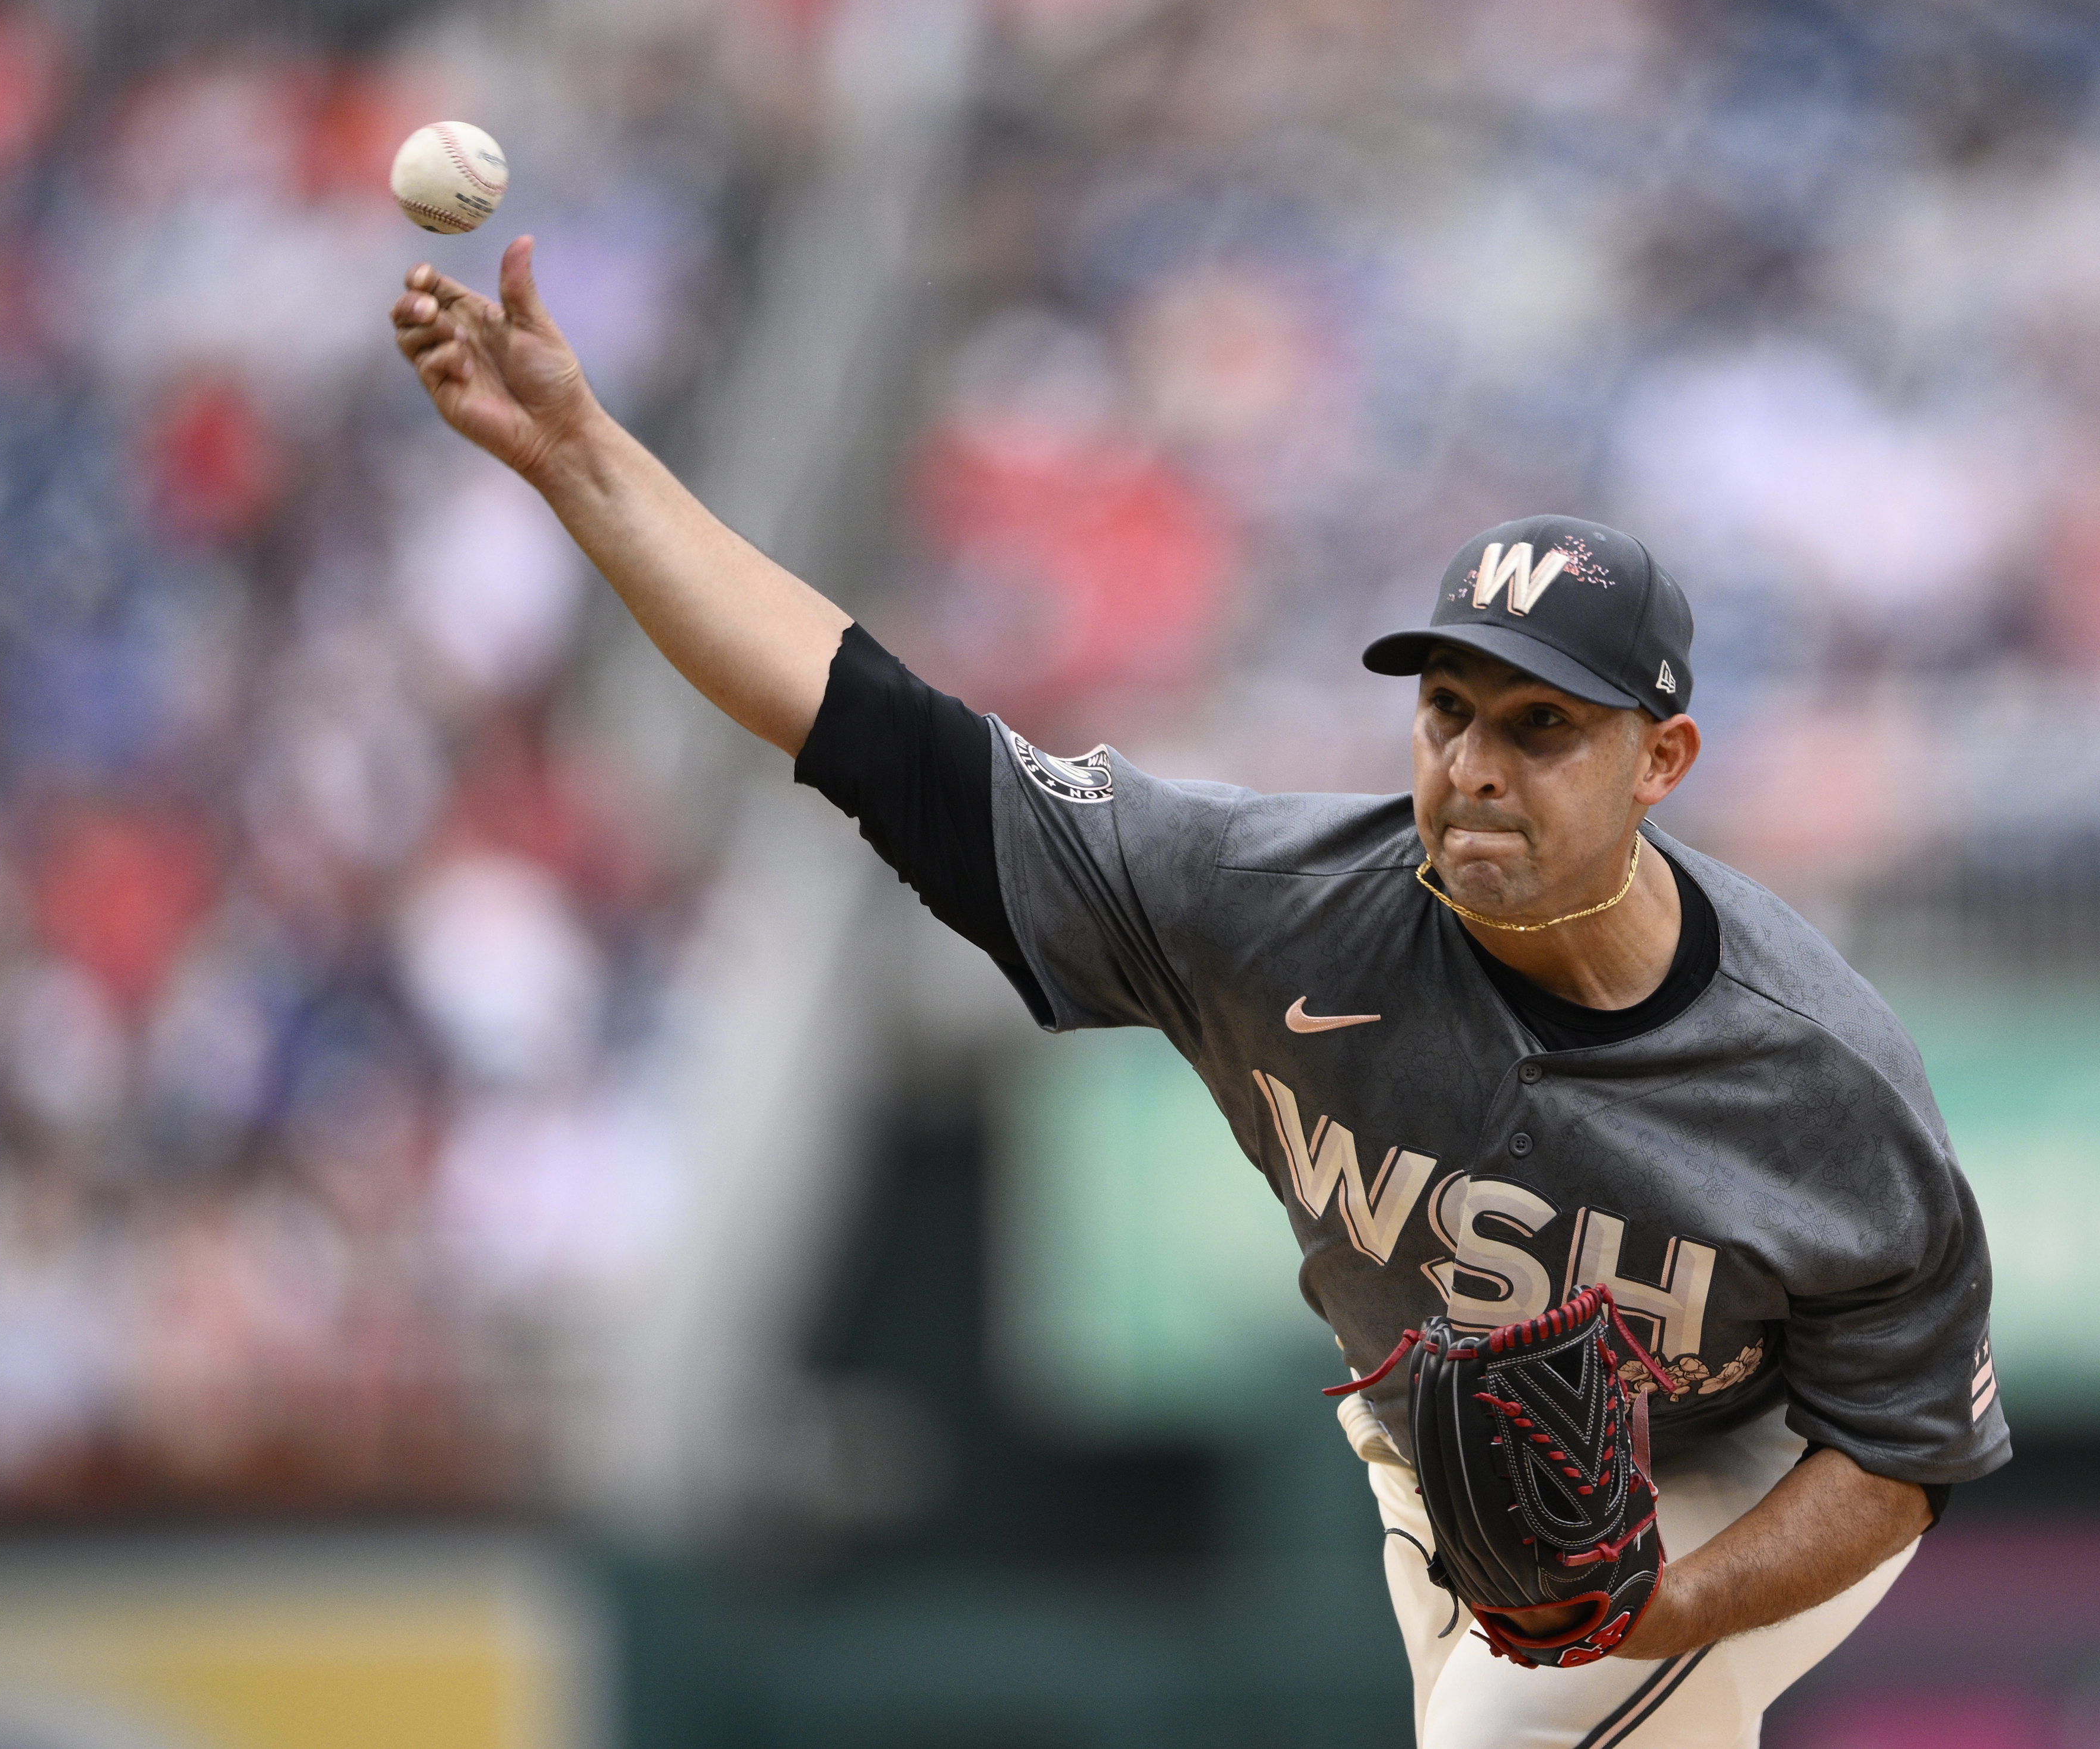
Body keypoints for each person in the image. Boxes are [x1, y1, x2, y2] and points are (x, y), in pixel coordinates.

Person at [391, 239, 2011, 1748]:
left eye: (1540, 727)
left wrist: (1677, 1597)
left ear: (1661, 761)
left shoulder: (1815, 1078)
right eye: (1448, 710)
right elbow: (862, 721)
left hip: (1752, 1466)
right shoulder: (1274, 904)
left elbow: (1900, 1452)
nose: (1472, 766)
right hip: (1437, 1455)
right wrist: (579, 459)